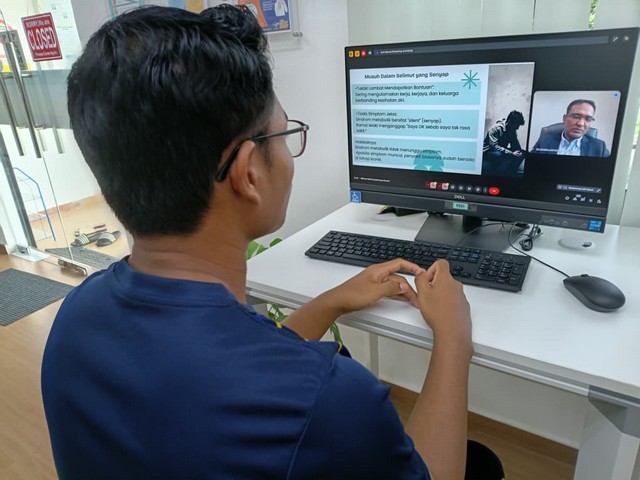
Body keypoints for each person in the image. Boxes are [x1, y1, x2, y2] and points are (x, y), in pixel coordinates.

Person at [41, 5, 488, 479]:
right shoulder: (326, 400)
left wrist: (332, 301)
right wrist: (453, 338)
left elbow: (225, 376)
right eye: (285, 134)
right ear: (249, 173)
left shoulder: (75, 318)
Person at [532, 99, 610, 157]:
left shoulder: (599, 147)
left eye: (588, 119)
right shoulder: (545, 141)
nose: (580, 124)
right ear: (565, 118)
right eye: (576, 117)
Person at [481, 110, 526, 176]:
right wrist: (511, 153)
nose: (517, 128)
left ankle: (511, 174)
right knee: (499, 155)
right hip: (488, 151)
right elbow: (493, 146)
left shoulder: (512, 130)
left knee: (524, 153)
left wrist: (519, 151)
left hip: (501, 150)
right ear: (509, 122)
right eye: (516, 125)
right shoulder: (495, 128)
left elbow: (515, 144)